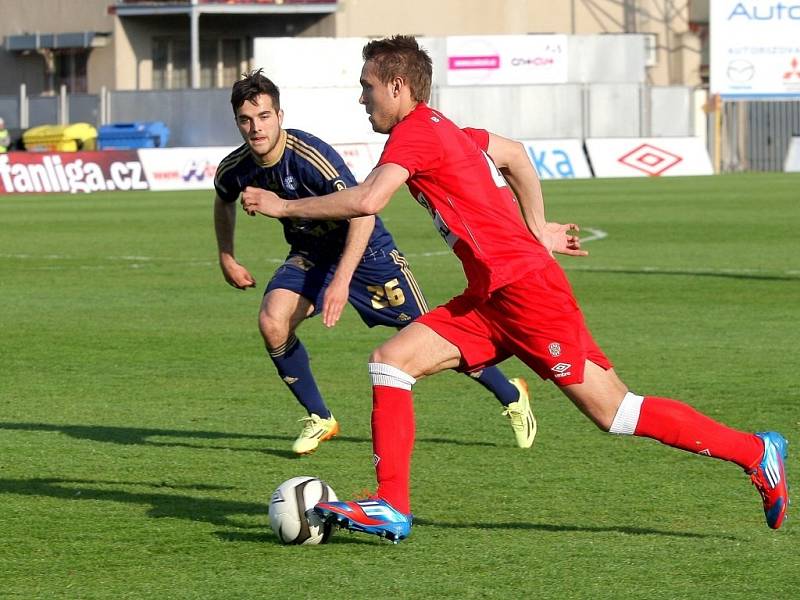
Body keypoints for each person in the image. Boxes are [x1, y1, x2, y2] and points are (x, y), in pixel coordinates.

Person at [240, 36, 789, 542]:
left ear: (398, 87)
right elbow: (514, 152)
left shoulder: (416, 134)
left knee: (616, 413)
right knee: (390, 361)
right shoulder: (445, 129)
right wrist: (538, 228)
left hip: (526, 293)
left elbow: (366, 200)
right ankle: (392, 505)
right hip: (490, 296)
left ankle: (756, 451)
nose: (363, 98)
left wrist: (282, 205)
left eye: (367, 86)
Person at [214, 69, 537, 456]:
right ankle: (320, 417)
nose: (256, 128)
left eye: (264, 116)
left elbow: (363, 214)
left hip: (366, 252)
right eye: (246, 120)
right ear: (236, 122)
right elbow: (223, 199)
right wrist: (227, 256)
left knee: (430, 335)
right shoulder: (236, 167)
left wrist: (341, 281)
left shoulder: (311, 157)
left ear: (280, 116)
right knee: (272, 320)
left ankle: (511, 394)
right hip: (311, 255)